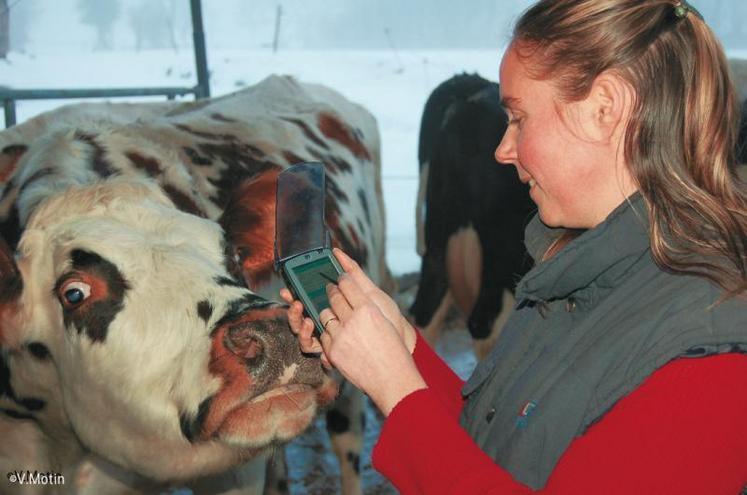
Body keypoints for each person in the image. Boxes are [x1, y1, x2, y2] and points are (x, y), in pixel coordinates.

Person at [281, 0, 747, 492]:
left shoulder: (712, 352)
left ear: (605, 108)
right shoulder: (587, 270)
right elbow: (498, 446)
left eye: (519, 119)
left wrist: (395, 388)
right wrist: (399, 343)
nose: (503, 149)